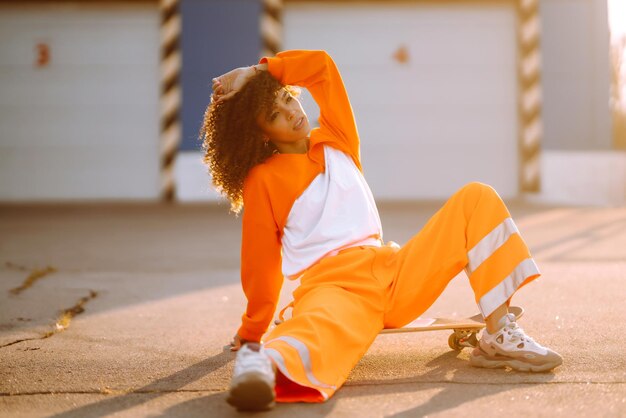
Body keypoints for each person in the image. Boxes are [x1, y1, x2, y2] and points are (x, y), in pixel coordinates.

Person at [201, 50, 562, 412]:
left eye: (286, 99)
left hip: (393, 271)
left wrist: (256, 72)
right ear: (260, 133)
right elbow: (260, 261)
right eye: (274, 115)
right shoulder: (263, 179)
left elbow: (322, 68)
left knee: (477, 197)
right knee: (315, 330)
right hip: (335, 286)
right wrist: (251, 331)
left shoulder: (336, 139)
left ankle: (498, 333)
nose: (292, 113)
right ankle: (260, 369)